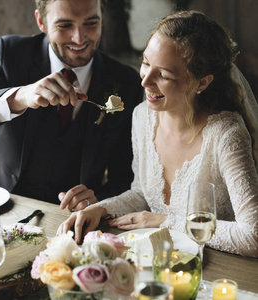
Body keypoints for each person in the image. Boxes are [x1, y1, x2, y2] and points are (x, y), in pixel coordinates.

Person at [58, 10, 258, 257]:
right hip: (156, 258)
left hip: (218, 269)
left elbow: (253, 236)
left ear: (202, 83)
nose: (145, 81)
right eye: (146, 63)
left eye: (163, 75)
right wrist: (100, 209)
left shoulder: (226, 135)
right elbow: (142, 193)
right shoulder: (142, 116)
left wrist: (165, 221)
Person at [0, 0, 143, 211]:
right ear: (41, 21)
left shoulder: (125, 82)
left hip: (64, 219)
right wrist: (21, 96)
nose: (79, 38)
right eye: (65, 25)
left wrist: (96, 199)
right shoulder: (12, 53)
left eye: (91, 23)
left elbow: (124, 180)